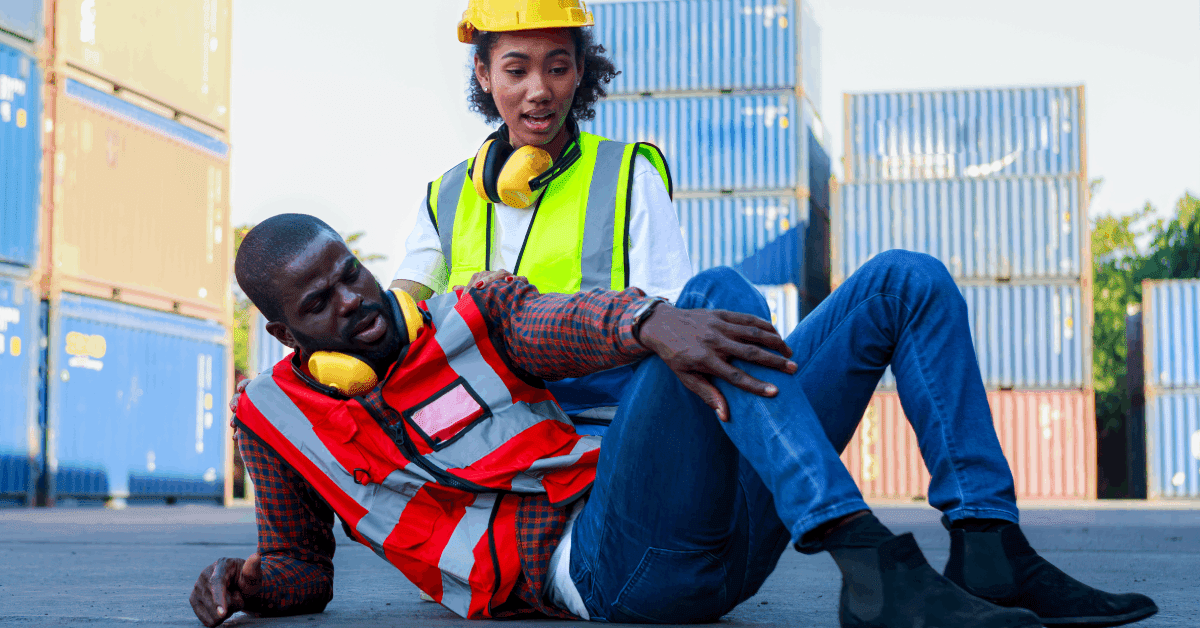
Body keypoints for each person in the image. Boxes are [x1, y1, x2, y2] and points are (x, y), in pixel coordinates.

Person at [192, 214, 1158, 628]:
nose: (353, 303)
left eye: (350, 274)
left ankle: (986, 547)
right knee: (712, 298)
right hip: (609, 576)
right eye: (318, 302)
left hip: (711, 526)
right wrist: (245, 584)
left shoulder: (468, 311)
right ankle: (868, 567)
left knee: (901, 281)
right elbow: (300, 571)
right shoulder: (274, 420)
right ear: (285, 331)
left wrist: (650, 322)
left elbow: (552, 323)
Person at [389, 0, 692, 432]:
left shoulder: (628, 175)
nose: (540, 90)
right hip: (480, 429)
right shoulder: (448, 195)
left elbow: (671, 315)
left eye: (557, 68)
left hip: (599, 424)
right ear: (483, 73)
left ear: (581, 69)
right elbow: (404, 308)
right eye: (516, 71)